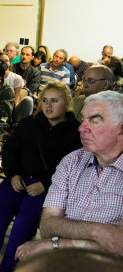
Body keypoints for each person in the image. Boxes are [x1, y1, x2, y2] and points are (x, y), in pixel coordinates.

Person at [0, 82, 81, 272]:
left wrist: (46, 183)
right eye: (45, 100)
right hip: (18, 179)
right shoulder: (28, 123)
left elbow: (73, 166)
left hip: (47, 186)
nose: (48, 106)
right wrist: (13, 173)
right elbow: (9, 151)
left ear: (66, 103)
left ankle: (7, 270)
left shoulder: (76, 132)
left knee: (23, 227)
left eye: (54, 101)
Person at [15, 91, 123, 261]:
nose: (81, 128)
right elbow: (47, 226)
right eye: (83, 119)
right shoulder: (72, 161)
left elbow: (118, 246)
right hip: (61, 260)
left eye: (94, 120)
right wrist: (99, 231)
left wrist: (54, 244)